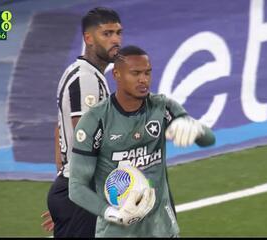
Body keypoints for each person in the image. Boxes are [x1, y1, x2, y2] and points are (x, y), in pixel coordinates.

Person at [68, 45, 216, 237]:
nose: (143, 79)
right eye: (135, 73)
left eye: (147, 73)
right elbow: (76, 187)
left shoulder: (162, 107)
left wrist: (196, 128)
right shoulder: (95, 121)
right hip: (116, 232)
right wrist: (112, 213)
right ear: (117, 75)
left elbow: (209, 140)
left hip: (162, 230)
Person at [42, 7, 122, 237]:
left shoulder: (83, 74)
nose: (115, 39)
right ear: (88, 38)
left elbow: (60, 131)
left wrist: (66, 187)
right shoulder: (86, 79)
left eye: (118, 32)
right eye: (106, 33)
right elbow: (85, 138)